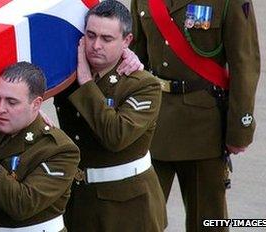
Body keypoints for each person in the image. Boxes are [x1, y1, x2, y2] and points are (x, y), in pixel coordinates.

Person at [130, 0, 260, 230]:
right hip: (152, 124)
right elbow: (135, 56)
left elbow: (244, 64)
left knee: (208, 222)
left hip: (203, 129)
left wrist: (240, 129)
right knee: (140, 219)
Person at [52, 0, 166, 230]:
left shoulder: (143, 85)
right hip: (80, 201)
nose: (95, 45)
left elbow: (116, 136)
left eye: (107, 39)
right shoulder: (68, 75)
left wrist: (86, 84)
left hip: (127, 207)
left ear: (127, 41)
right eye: (91, 35)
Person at [0, 61, 80, 231]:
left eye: (12, 102)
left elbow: (22, 204)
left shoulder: (59, 149)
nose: (0, 109)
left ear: (36, 104)